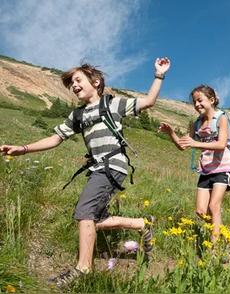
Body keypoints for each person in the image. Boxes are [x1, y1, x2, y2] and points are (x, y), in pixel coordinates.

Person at [0, 57, 171, 287]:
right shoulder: (77, 115)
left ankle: (83, 270)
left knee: (85, 213)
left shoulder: (113, 104)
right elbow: (55, 138)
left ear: (96, 82)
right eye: (71, 84)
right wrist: (23, 149)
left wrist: (159, 74)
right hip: (97, 168)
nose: (74, 85)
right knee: (92, 219)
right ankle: (142, 224)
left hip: (112, 165)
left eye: (78, 80)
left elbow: (149, 101)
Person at [158, 85, 230, 241]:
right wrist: (171, 133)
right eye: (194, 102)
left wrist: (196, 144)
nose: (197, 104)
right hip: (206, 170)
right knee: (200, 211)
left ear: (212, 100)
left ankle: (215, 246)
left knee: (213, 207)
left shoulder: (221, 118)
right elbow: (182, 145)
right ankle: (218, 229)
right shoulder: (197, 124)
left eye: (200, 100)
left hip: (222, 168)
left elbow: (221, 145)